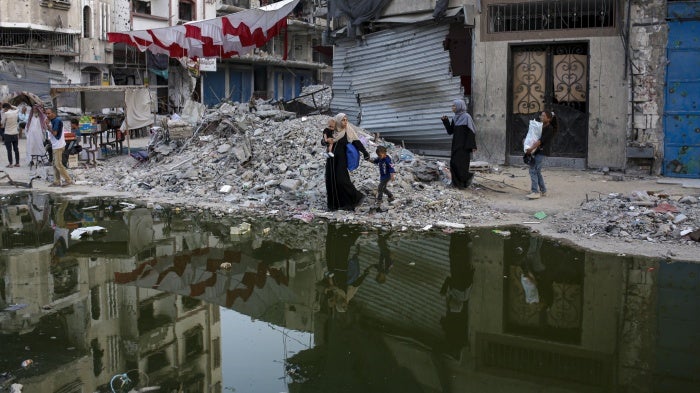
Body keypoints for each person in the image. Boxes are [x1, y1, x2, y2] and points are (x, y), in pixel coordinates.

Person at [322, 113, 370, 211]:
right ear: (338, 121)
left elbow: (356, 142)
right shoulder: (332, 130)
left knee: (342, 180)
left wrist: (365, 152)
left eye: (346, 120)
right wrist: (326, 141)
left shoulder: (348, 130)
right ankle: (334, 205)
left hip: (341, 159)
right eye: (343, 120)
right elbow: (323, 141)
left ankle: (354, 199)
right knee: (330, 180)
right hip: (331, 159)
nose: (345, 122)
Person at [441, 99, 477, 189]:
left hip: (464, 146)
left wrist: (472, 146)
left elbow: (471, 132)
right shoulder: (455, 118)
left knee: (462, 166)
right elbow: (450, 131)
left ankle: (466, 180)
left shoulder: (467, 117)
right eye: (452, 106)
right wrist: (445, 121)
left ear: (459, 106)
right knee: (454, 163)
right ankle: (457, 184)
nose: (452, 108)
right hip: (456, 145)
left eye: (454, 106)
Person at [525, 110, 558, 199]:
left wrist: (530, 149)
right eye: (541, 116)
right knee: (537, 171)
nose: (541, 117)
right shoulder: (541, 126)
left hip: (541, 151)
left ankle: (535, 192)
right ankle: (543, 190)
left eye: (543, 116)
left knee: (533, 170)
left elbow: (540, 141)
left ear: (549, 118)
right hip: (537, 151)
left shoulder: (549, 128)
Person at [44, 108, 72, 187]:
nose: (47, 115)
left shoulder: (56, 121)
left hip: (58, 145)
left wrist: (48, 125)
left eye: (49, 113)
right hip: (55, 145)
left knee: (58, 164)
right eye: (46, 114)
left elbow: (55, 133)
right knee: (54, 164)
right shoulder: (54, 121)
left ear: (53, 113)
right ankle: (57, 181)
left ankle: (68, 179)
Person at [372, 145, 395, 210]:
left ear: (384, 153)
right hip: (382, 176)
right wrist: (370, 160)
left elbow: (391, 167)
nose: (379, 157)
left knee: (380, 187)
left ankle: (379, 200)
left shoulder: (387, 160)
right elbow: (376, 161)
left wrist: (392, 175)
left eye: (380, 155)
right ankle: (391, 196)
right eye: (378, 155)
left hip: (387, 176)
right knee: (384, 188)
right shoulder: (380, 158)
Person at [1, 103, 20, 167]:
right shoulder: (15, 112)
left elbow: (2, 123)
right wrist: (11, 106)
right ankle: (17, 163)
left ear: (5, 108)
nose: (3, 110)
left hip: (8, 133)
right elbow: (18, 108)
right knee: (16, 149)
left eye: (3, 108)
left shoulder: (5, 114)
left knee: (9, 150)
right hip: (15, 133)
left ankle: (10, 163)